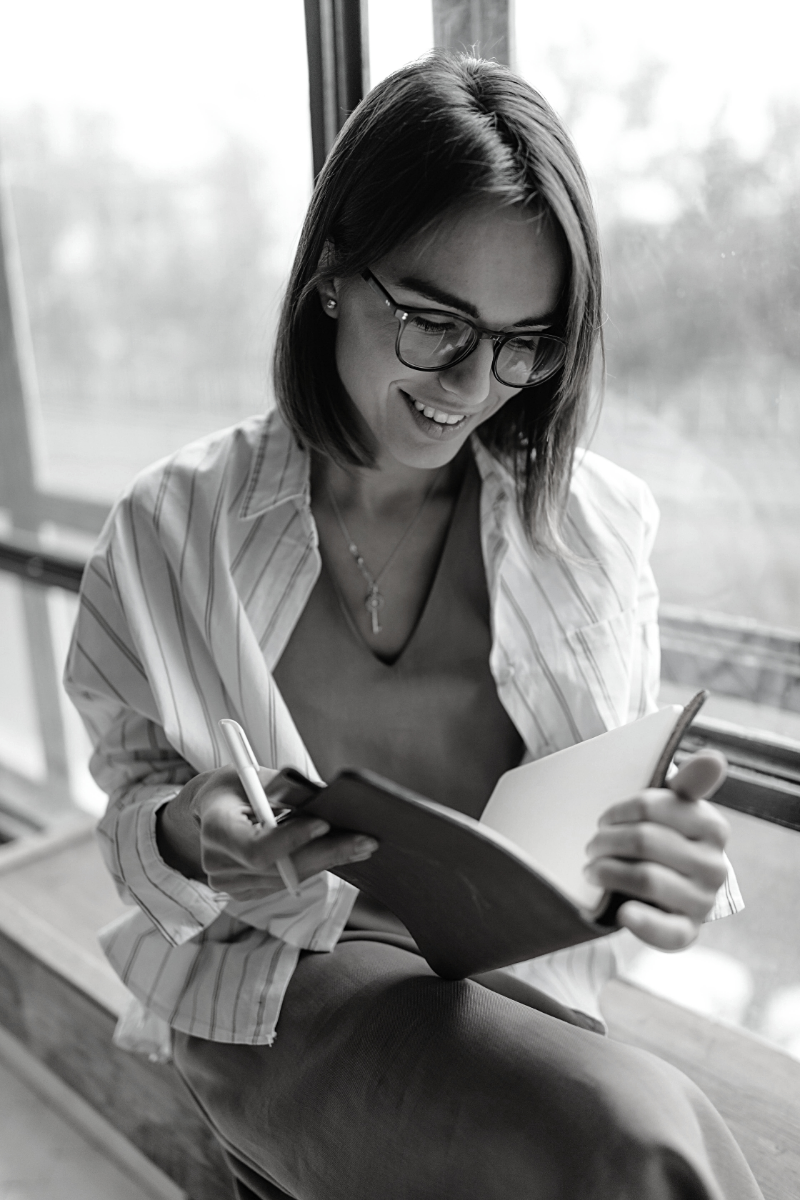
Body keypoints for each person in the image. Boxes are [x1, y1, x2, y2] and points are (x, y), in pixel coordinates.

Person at [64, 52, 762, 1200]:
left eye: (521, 343)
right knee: (627, 1142)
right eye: (435, 324)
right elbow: (130, 805)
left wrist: (658, 871)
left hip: (515, 1000)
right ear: (334, 272)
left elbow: (606, 825)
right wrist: (200, 828)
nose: (472, 384)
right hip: (279, 983)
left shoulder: (589, 528)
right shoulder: (170, 525)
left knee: (617, 1124)